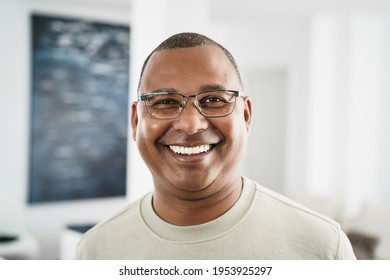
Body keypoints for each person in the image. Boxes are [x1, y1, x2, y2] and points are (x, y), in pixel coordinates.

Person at [76, 32, 356, 259]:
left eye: (214, 99)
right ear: (136, 120)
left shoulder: (323, 248)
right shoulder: (96, 252)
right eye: (164, 102)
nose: (190, 124)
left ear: (246, 115)